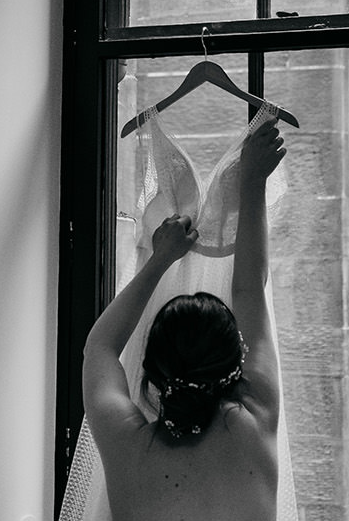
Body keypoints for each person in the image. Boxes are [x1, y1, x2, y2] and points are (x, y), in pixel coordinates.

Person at [80, 118, 287, 521]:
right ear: (237, 358)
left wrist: (160, 260)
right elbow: (248, 288)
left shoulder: (127, 446)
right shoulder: (257, 417)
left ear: (151, 368)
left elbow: (100, 347)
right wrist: (252, 180)